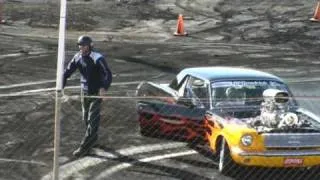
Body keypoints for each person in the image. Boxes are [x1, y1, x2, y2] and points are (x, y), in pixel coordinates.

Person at [63, 35, 112, 157]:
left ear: (90, 46)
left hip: (96, 94)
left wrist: (103, 88)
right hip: (84, 92)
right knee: (86, 118)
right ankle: (92, 139)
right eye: (80, 45)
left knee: (92, 120)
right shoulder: (77, 57)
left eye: (84, 45)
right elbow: (67, 72)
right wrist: (61, 86)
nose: (81, 48)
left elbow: (108, 74)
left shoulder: (97, 58)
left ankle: (84, 147)